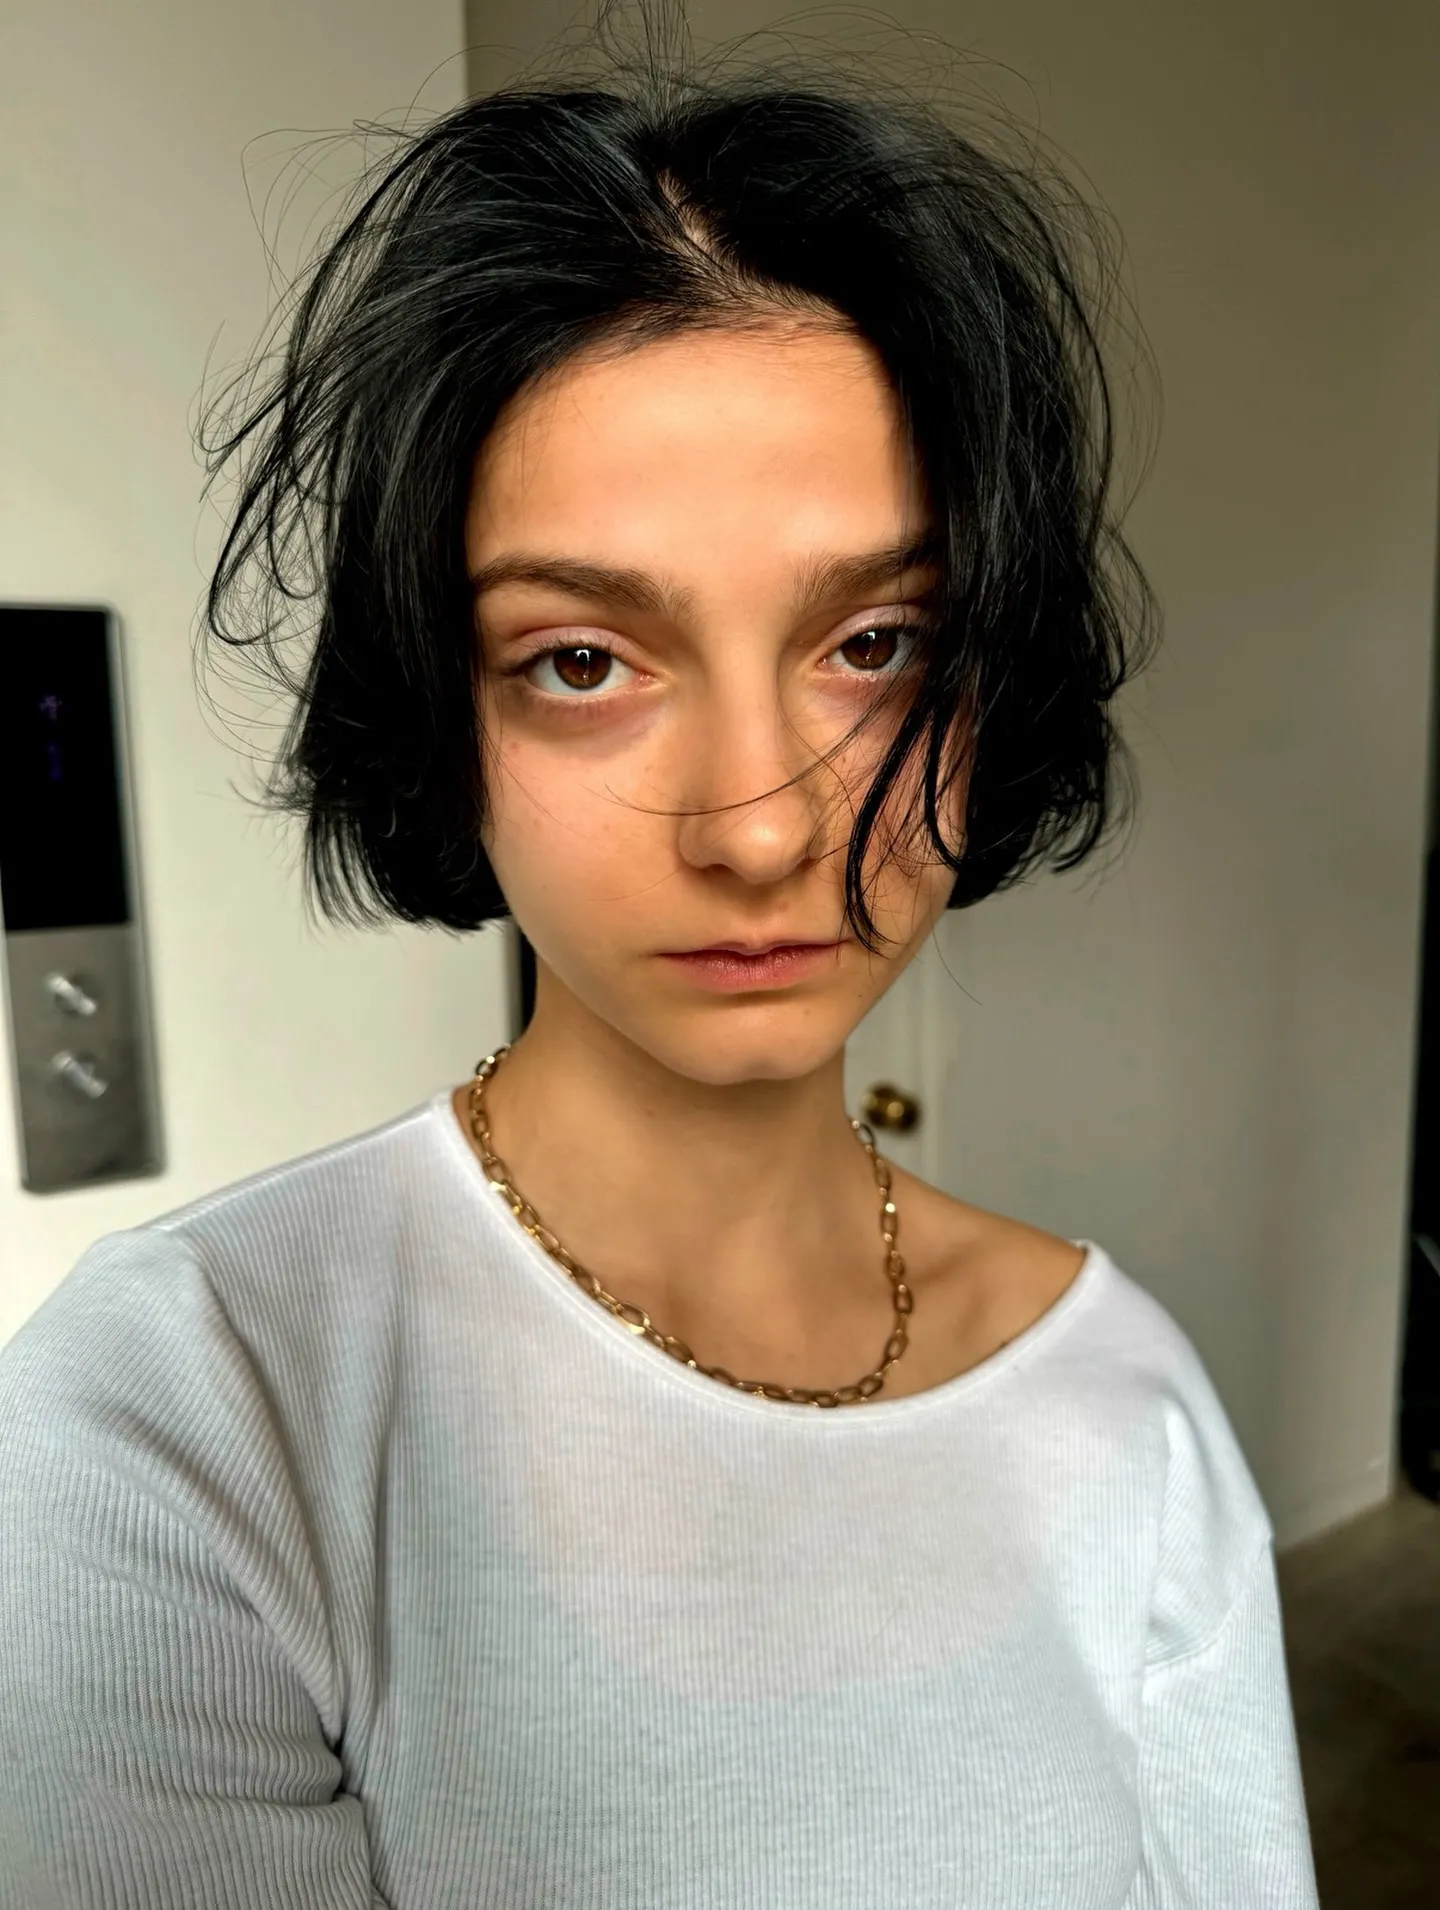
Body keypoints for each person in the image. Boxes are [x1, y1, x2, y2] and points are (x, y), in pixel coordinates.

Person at [0, 7, 1319, 1905]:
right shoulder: (184, 1417)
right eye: (584, 661)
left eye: (873, 645)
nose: (760, 827)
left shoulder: (1131, 1405)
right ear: (443, 713)